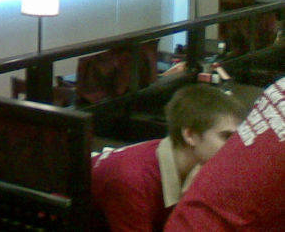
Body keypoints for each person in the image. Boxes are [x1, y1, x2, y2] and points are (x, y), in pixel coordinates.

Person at [90, 83, 247, 231]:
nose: (236, 146)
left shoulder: (188, 162)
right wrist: (188, 204)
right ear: (190, 135)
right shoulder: (133, 181)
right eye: (226, 137)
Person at [164, 76, 284, 231]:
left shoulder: (279, 86)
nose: (228, 148)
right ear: (190, 135)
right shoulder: (141, 173)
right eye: (226, 137)